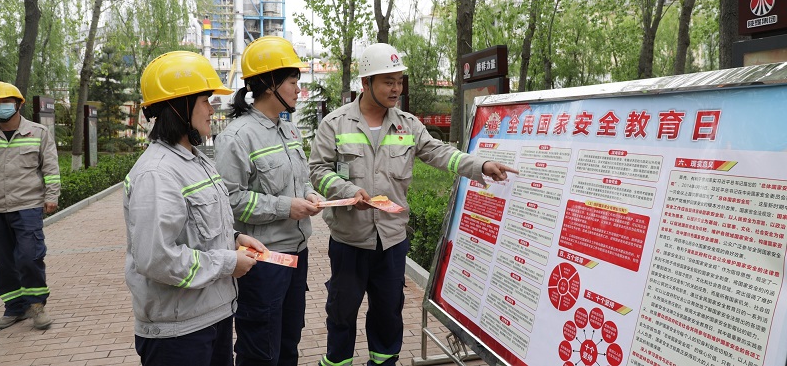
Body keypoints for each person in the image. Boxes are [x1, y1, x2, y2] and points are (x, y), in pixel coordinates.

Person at [308, 43, 518, 366]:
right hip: (349, 241)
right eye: (388, 81)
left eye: (399, 80)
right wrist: (346, 190)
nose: (396, 88)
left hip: (391, 242)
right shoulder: (335, 125)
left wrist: (481, 165)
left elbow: (440, 153)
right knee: (341, 314)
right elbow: (318, 171)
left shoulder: (408, 125)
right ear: (365, 84)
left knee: (389, 315)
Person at [124, 51, 265, 366]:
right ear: (179, 105)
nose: (211, 109)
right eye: (205, 101)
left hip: (209, 315)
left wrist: (235, 238)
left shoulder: (196, 160)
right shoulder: (158, 173)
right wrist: (228, 263)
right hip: (178, 333)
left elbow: (200, 229)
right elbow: (156, 258)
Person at [215, 36, 321, 366]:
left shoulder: (289, 131)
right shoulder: (237, 137)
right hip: (263, 261)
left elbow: (299, 181)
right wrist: (284, 207)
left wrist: (308, 194)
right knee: (260, 346)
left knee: (289, 339)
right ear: (269, 83)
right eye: (292, 82)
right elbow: (229, 201)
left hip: (296, 255)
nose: (297, 90)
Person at [0, 81, 59, 331]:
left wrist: (52, 195)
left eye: (4, 102)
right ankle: (14, 308)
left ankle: (36, 305)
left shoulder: (38, 132)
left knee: (29, 257)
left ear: (18, 104)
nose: (0, 107)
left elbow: (50, 167)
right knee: (4, 262)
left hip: (27, 206)